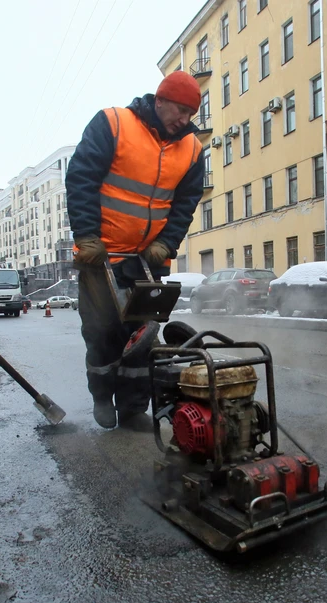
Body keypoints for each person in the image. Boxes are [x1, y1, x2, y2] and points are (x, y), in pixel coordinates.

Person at [66, 71, 205, 428]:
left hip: (148, 259)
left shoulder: (191, 149)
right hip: (102, 254)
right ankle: (102, 396)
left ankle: (132, 407)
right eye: (179, 110)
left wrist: (166, 243)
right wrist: (86, 236)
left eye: (191, 113)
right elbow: (81, 177)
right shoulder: (113, 124)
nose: (184, 120)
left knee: (143, 336)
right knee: (102, 331)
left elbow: (185, 204)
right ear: (159, 101)